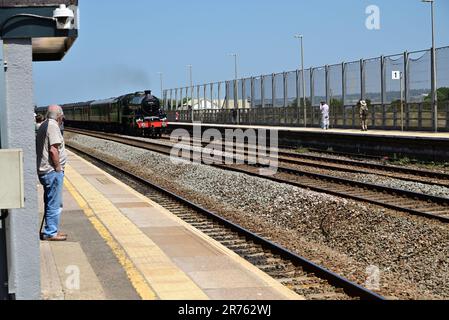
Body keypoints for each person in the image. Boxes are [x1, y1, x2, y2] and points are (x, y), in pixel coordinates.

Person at [36, 105, 68, 241]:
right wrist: (58, 167)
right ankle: (51, 232)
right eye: (62, 117)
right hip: (51, 171)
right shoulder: (53, 126)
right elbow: (53, 150)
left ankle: (51, 230)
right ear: (59, 116)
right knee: (55, 203)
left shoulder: (44, 124)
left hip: (45, 170)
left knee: (50, 202)